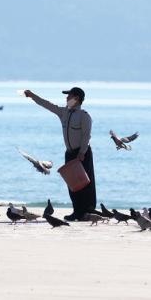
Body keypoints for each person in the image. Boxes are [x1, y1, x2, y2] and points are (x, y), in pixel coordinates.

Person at [24, 87, 96, 221]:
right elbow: (47, 104)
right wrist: (32, 95)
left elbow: (86, 136)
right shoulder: (64, 112)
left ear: (77, 99)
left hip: (82, 153)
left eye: (69, 96)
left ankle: (88, 211)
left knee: (86, 184)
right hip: (69, 153)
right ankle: (77, 211)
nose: (67, 98)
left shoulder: (84, 116)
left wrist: (82, 153)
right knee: (72, 184)